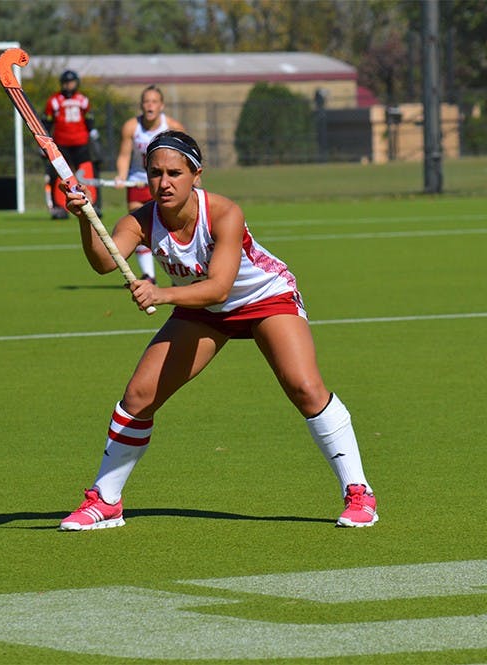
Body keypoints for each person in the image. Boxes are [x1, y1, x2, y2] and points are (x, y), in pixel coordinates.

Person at [59, 130, 378, 531]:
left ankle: (359, 493)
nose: (164, 182)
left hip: (264, 297)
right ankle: (106, 501)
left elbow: (221, 286)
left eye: (175, 172)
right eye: (155, 173)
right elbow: (104, 261)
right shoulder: (142, 220)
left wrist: (163, 292)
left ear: (197, 175)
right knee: (138, 396)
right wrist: (85, 220)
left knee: (304, 388)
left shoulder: (225, 212)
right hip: (205, 308)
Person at [114, 85, 185, 283]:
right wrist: (121, 175)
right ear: (141, 105)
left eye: (154, 101)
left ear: (161, 105)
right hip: (138, 181)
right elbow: (124, 155)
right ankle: (149, 275)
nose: (149, 105)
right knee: (138, 227)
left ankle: (179, 273)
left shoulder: (173, 127)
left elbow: (184, 158)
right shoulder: (131, 127)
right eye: (146, 101)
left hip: (165, 182)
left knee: (173, 227)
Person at [44, 69, 100, 219]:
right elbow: (47, 123)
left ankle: (93, 204)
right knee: (59, 175)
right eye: (66, 83)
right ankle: (59, 207)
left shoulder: (83, 100)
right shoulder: (54, 101)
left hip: (81, 143)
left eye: (71, 82)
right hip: (61, 144)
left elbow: (89, 120)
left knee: (88, 173)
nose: (69, 86)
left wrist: (93, 134)